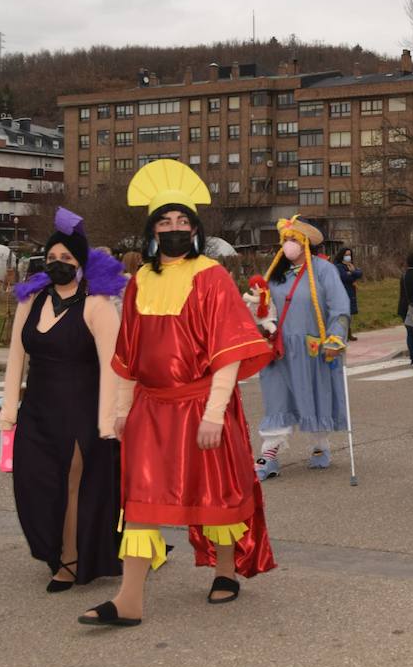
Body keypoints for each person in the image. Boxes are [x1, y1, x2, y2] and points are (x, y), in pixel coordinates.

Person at [81, 160, 275, 627]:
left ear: (195, 229)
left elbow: (228, 354)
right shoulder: (140, 282)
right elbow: (128, 353)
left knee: (215, 494)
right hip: (151, 408)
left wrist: (214, 414)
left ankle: (225, 570)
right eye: (164, 222)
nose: (173, 229)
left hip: (201, 406)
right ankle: (130, 600)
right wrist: (123, 409)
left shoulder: (212, 277)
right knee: (141, 500)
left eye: (182, 222)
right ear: (151, 229)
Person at [1, 208, 126, 593]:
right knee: (37, 484)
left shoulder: (97, 306)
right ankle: (55, 547)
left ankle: (69, 561)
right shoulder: (32, 301)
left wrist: (109, 421)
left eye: (67, 259)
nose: (58, 265)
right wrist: (9, 411)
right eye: (52, 258)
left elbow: (114, 367)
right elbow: (16, 358)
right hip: (38, 411)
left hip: (82, 412)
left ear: (81, 265)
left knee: (73, 484)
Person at [253, 216, 350, 480]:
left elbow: (340, 307)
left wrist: (335, 337)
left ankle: (320, 446)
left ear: (306, 242)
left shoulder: (323, 270)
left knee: (316, 395)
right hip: (280, 349)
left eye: (294, 239)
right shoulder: (276, 272)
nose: (288, 245)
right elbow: (264, 305)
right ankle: (268, 456)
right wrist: (262, 319)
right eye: (285, 240)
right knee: (276, 399)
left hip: (313, 348)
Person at [333, 247, 363, 341]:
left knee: (350, 314)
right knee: (343, 314)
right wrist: (352, 275)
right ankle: (343, 334)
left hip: (351, 292)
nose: (348, 257)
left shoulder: (350, 265)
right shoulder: (338, 266)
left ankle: (349, 333)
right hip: (342, 291)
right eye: (346, 255)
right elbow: (344, 277)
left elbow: (359, 273)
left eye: (349, 254)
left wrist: (352, 272)